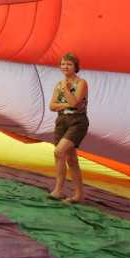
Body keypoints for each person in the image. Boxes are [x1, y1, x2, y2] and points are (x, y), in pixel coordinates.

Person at [48, 53, 89, 204]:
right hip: (61, 121)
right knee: (71, 159)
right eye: (63, 64)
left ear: (75, 67)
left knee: (59, 151)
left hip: (77, 122)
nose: (65, 67)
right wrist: (66, 104)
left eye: (69, 64)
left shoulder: (81, 83)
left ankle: (58, 190)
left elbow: (76, 103)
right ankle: (78, 195)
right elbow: (52, 106)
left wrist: (65, 90)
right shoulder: (58, 84)